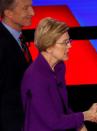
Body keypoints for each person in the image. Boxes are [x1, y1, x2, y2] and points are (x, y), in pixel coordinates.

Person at [21, 17, 97, 131]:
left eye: (69, 41)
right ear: (49, 47)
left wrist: (81, 126)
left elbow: (64, 107)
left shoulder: (59, 67)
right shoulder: (35, 77)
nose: (70, 46)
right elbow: (53, 122)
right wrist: (86, 115)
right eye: (65, 42)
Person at [0, 0, 34, 130]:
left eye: (31, 7)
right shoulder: (2, 42)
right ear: (8, 13)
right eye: (26, 8)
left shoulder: (17, 37)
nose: (32, 12)